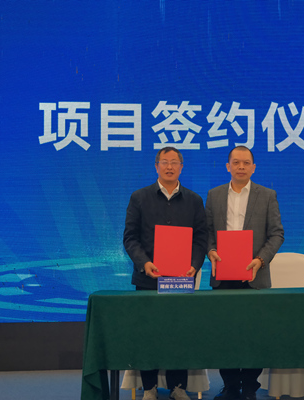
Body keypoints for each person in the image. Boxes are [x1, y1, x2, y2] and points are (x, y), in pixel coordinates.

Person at [123, 146, 208, 400]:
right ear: (156, 166)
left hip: (181, 280)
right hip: (148, 279)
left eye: (174, 162)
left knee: (179, 334)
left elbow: (201, 239)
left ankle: (177, 386)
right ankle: (149, 387)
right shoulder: (139, 197)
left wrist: (195, 264)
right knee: (148, 334)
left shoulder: (194, 200)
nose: (169, 166)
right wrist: (144, 263)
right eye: (164, 162)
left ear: (182, 167)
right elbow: (130, 238)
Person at [205, 145, 285, 400]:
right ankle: (230, 385)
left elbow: (277, 234)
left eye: (246, 162)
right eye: (236, 162)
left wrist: (260, 260)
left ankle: (250, 386)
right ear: (227, 166)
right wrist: (211, 251)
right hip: (223, 275)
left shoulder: (268, 195)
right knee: (225, 333)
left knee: (254, 333)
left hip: (255, 276)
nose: (241, 167)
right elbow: (207, 232)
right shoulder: (214, 195)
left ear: (253, 167)